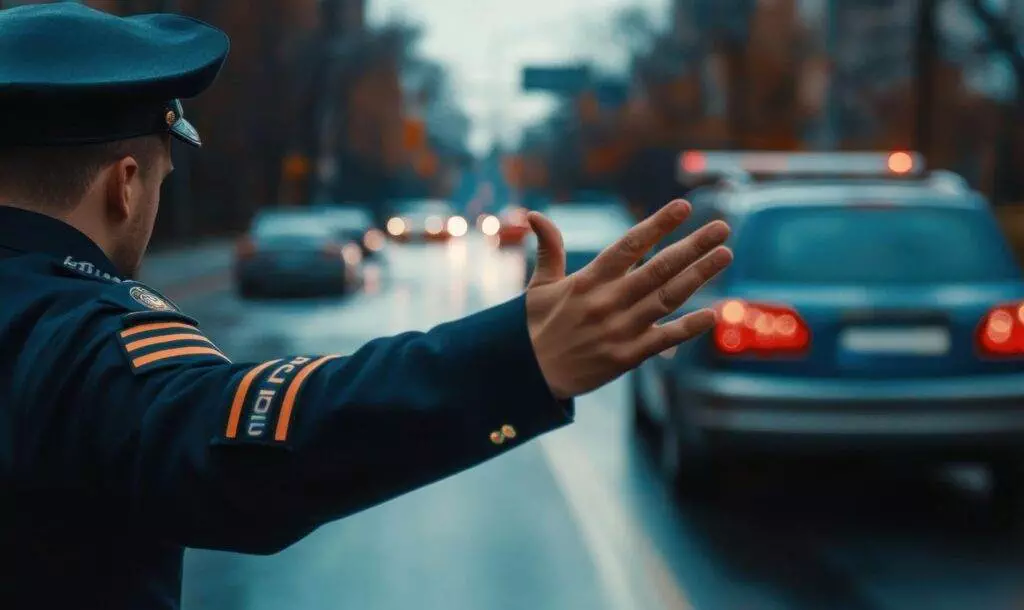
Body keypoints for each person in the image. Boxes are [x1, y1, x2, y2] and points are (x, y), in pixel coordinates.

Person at [0, 3, 733, 609]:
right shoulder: (73, 339)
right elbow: (248, 446)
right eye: (159, 179)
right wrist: (520, 360)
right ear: (124, 185)